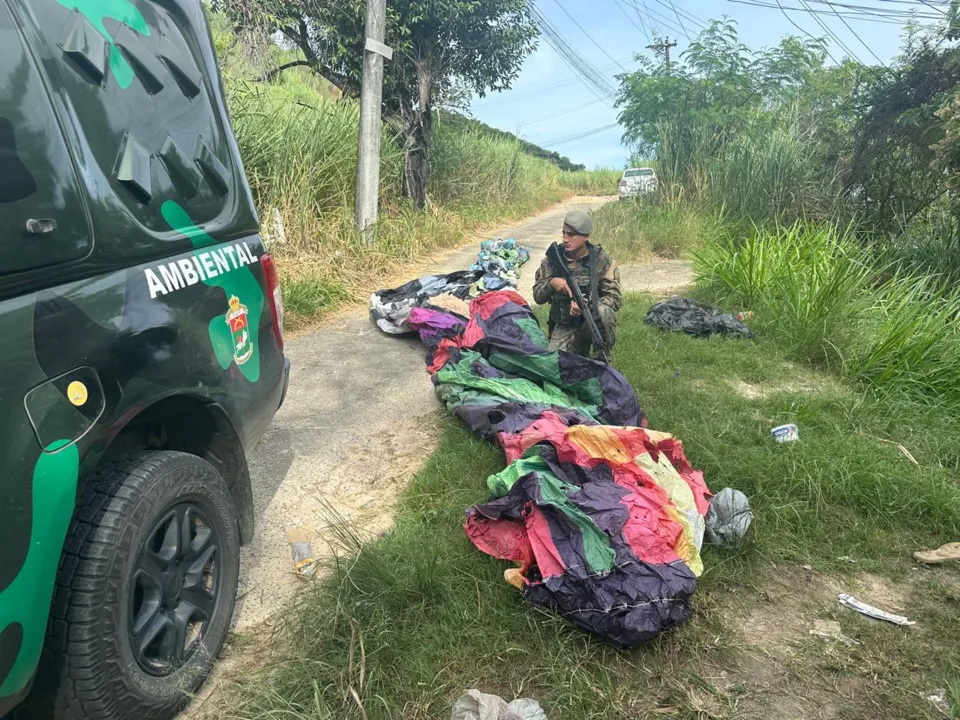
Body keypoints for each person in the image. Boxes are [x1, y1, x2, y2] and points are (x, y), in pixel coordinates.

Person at [532, 210, 621, 362]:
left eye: (571, 235)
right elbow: (537, 297)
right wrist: (552, 283)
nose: (566, 239)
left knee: (604, 311)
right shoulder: (552, 260)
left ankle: (602, 359)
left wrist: (591, 305)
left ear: (586, 237)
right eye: (564, 233)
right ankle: (579, 352)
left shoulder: (601, 260)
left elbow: (615, 298)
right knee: (554, 364)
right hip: (565, 325)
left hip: (592, 321)